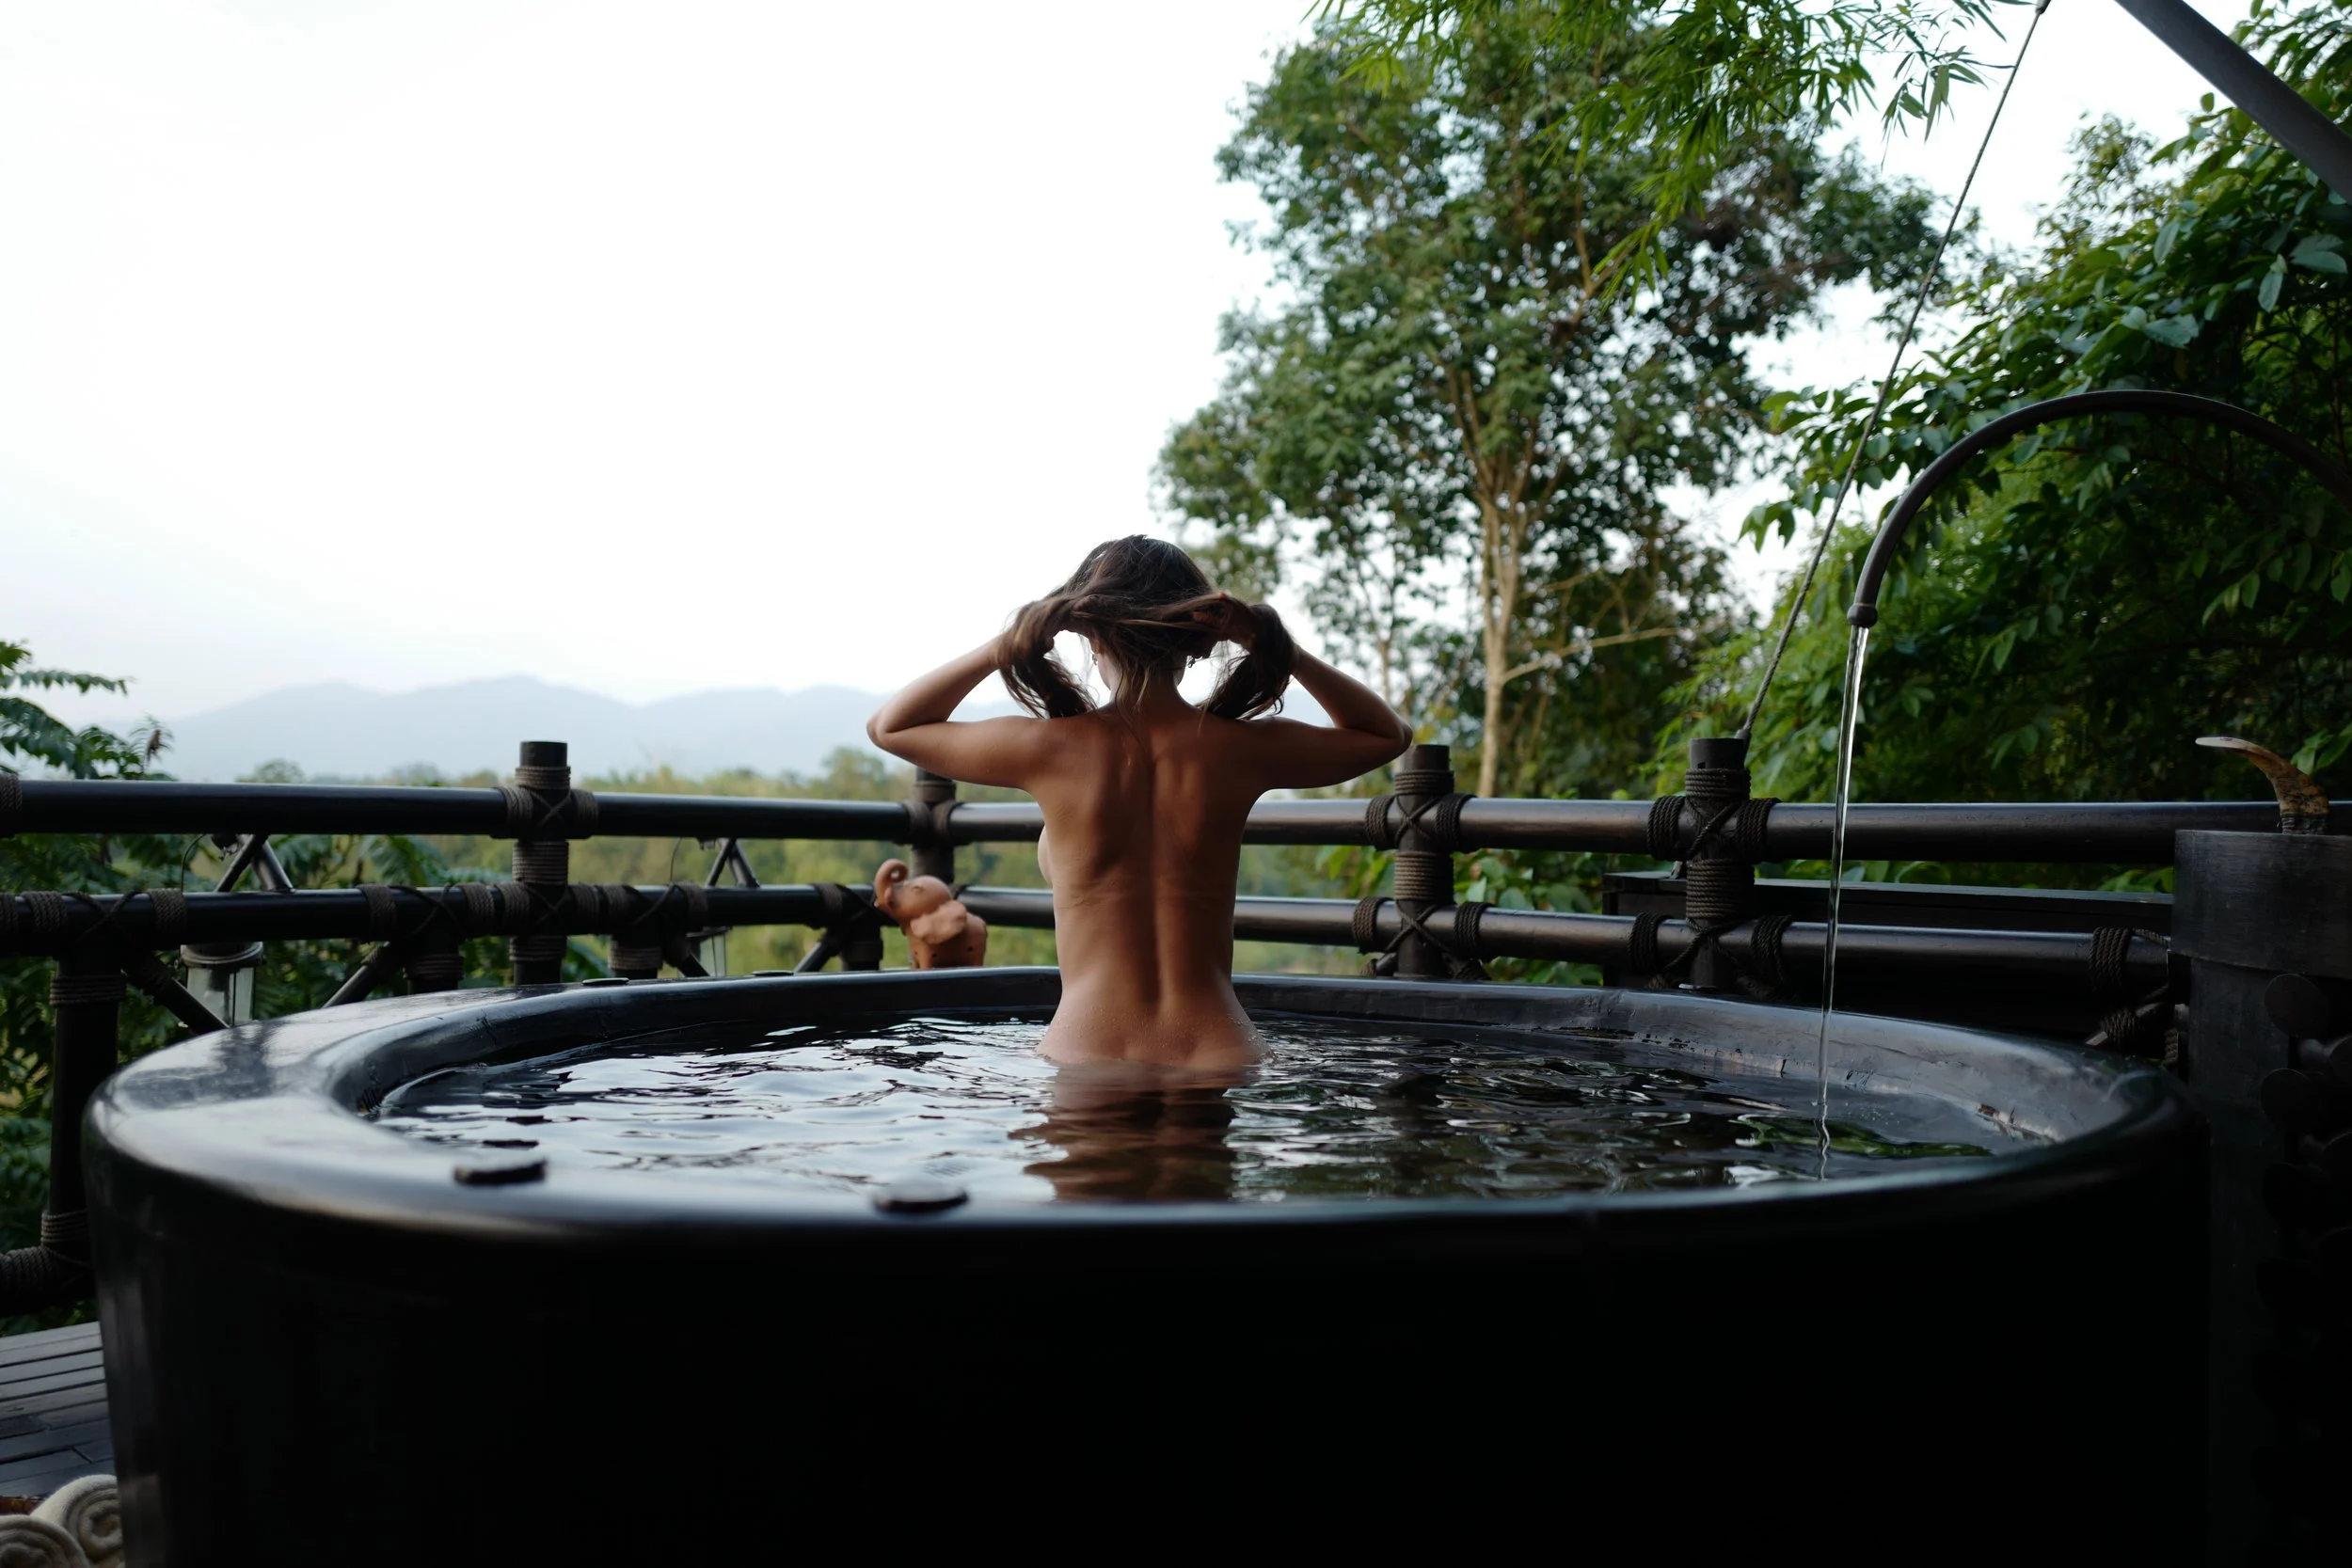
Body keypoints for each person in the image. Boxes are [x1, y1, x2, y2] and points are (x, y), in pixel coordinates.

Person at [866, 536, 1411, 1067]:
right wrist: (1269, 643)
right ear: (1200, 643)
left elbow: (892, 726)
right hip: (1219, 1047)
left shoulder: (1050, 749)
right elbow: (1387, 736)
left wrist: (1008, 644)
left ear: (1092, 638)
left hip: (1089, 1048)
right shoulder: (1240, 749)